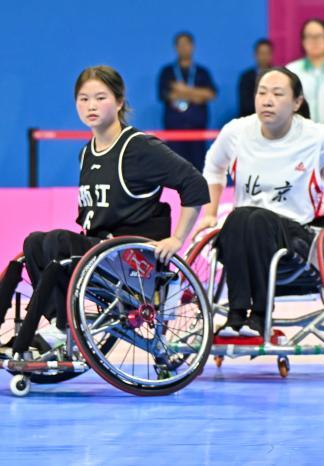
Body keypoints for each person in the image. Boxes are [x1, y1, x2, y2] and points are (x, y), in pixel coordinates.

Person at [0, 65, 209, 358]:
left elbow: (195, 183)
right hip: (100, 252)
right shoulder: (87, 153)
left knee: (58, 241)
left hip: (132, 259)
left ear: (120, 102)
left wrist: (177, 239)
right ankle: (62, 325)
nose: (91, 106)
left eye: (100, 98)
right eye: (83, 99)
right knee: (34, 242)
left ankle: (64, 327)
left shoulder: (139, 147)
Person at [193, 67, 324, 338]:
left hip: (299, 239)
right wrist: (210, 212)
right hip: (243, 234)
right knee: (242, 217)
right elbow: (213, 166)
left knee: (254, 218)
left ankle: (257, 317)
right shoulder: (236, 131)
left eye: (277, 94)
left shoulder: (316, 137)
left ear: (297, 103)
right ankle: (237, 318)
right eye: (262, 93)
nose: (267, 100)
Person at [158, 32, 217, 172]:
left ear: (193, 46)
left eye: (187, 44)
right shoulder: (167, 72)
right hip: (174, 133)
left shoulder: (202, 72)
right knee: (174, 170)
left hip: (197, 132)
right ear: (175, 48)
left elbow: (210, 94)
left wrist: (184, 90)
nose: (184, 47)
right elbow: (165, 95)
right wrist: (197, 96)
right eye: (180, 44)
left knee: (198, 171)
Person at [238, 39, 274, 117]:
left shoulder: (278, 76)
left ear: (272, 55)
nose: (264, 57)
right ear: (255, 55)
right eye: (261, 53)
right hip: (251, 117)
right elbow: (245, 104)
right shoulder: (246, 77)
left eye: (267, 53)